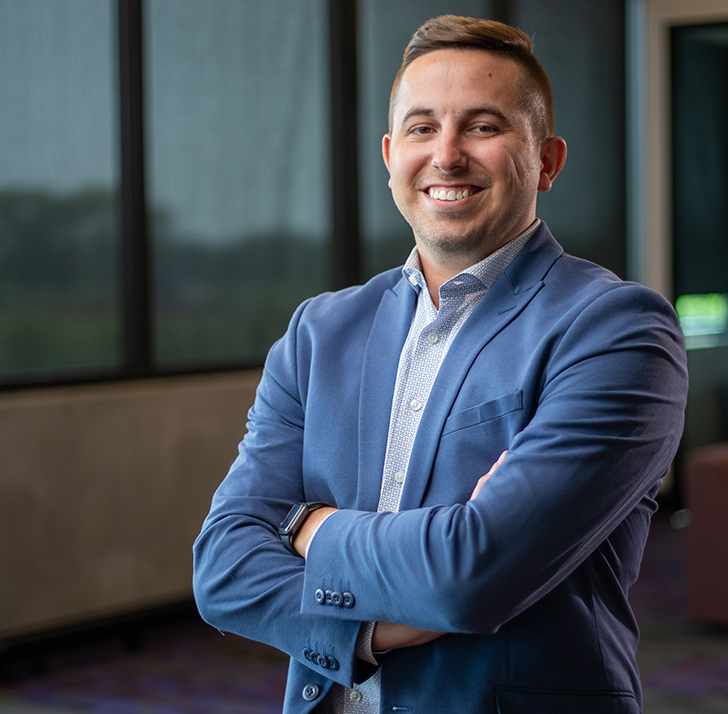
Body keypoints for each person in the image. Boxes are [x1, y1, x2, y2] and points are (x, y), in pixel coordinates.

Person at [193, 14, 687, 714]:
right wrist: (377, 629)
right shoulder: (320, 331)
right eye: (423, 128)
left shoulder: (616, 329)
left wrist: (308, 526)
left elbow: (472, 573)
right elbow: (222, 569)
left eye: (484, 127)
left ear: (547, 160)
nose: (447, 155)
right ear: (392, 154)